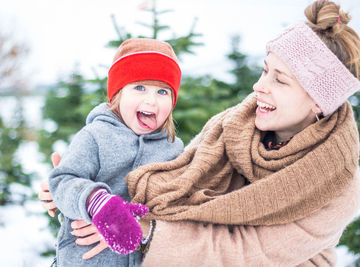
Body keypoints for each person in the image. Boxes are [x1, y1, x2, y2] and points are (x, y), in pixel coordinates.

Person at [40, 0, 360, 265]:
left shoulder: (338, 181)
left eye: (280, 80)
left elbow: (245, 252)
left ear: (319, 102)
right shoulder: (234, 126)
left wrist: (143, 231)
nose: (258, 87)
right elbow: (175, 184)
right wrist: (80, 190)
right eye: (265, 70)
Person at [46, 38, 184, 267]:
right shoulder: (95, 136)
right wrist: (96, 203)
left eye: (162, 91)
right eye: (139, 87)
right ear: (118, 94)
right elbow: (62, 181)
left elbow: (180, 207)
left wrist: (144, 224)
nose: (151, 100)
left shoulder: (173, 149)